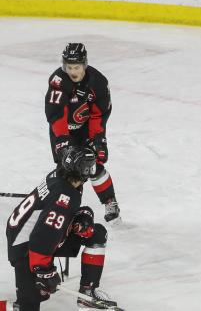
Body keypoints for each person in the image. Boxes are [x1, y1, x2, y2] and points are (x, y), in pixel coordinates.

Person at [5, 147, 118, 310]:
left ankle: (87, 292)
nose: (93, 170)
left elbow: (54, 216)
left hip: (28, 238)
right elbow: (43, 235)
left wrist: (83, 215)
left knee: (96, 233)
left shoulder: (61, 176)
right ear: (83, 170)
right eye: (91, 167)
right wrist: (43, 271)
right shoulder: (65, 193)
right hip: (26, 250)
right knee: (27, 308)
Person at [45, 43, 120, 223]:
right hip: (63, 132)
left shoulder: (98, 82)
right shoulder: (58, 81)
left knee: (93, 164)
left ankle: (110, 201)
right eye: (69, 67)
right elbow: (57, 116)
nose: (72, 71)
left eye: (76, 67)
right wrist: (64, 143)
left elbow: (98, 115)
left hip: (86, 130)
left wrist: (98, 139)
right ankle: (67, 211)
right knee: (68, 171)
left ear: (84, 64)